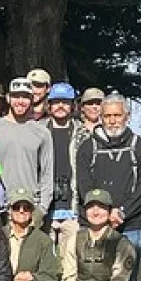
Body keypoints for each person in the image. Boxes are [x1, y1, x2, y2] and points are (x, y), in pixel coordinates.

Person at [75, 93, 141, 252]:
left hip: (131, 225)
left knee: (130, 275)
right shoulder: (87, 148)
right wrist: (104, 212)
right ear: (101, 118)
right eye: (107, 116)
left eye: (117, 115)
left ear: (127, 117)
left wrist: (122, 212)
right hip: (95, 225)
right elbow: (84, 186)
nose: (112, 121)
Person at [0, 78, 53, 222]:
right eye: (16, 96)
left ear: (32, 99)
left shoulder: (42, 133)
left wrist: (42, 208)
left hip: (29, 207)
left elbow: (47, 173)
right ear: (8, 98)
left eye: (25, 97)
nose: (20, 101)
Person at [42, 83, 89, 220]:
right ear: (49, 105)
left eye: (65, 102)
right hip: (45, 207)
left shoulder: (83, 134)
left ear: (73, 105)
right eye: (56, 102)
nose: (61, 106)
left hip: (73, 208)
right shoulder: (38, 131)